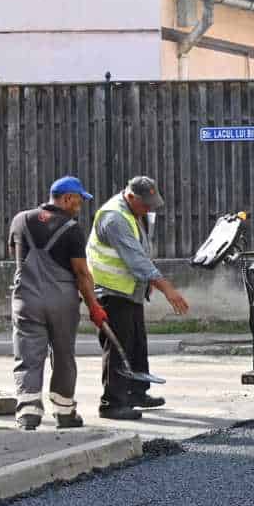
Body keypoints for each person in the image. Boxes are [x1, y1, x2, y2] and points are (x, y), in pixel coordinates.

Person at [7, 177, 108, 431]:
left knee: (28, 354)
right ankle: (64, 413)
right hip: (62, 302)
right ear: (66, 198)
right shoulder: (71, 228)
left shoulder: (21, 220)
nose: (80, 205)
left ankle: (28, 413)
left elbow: (14, 255)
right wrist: (94, 306)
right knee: (63, 354)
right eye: (79, 200)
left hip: (26, 299)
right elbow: (82, 273)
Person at [86, 176, 189, 419]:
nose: (149, 208)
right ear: (131, 197)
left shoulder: (132, 212)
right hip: (111, 293)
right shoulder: (114, 218)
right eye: (146, 204)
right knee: (119, 347)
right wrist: (166, 287)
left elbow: (140, 250)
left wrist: (146, 282)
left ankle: (136, 393)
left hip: (129, 291)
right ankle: (112, 403)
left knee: (136, 346)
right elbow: (135, 259)